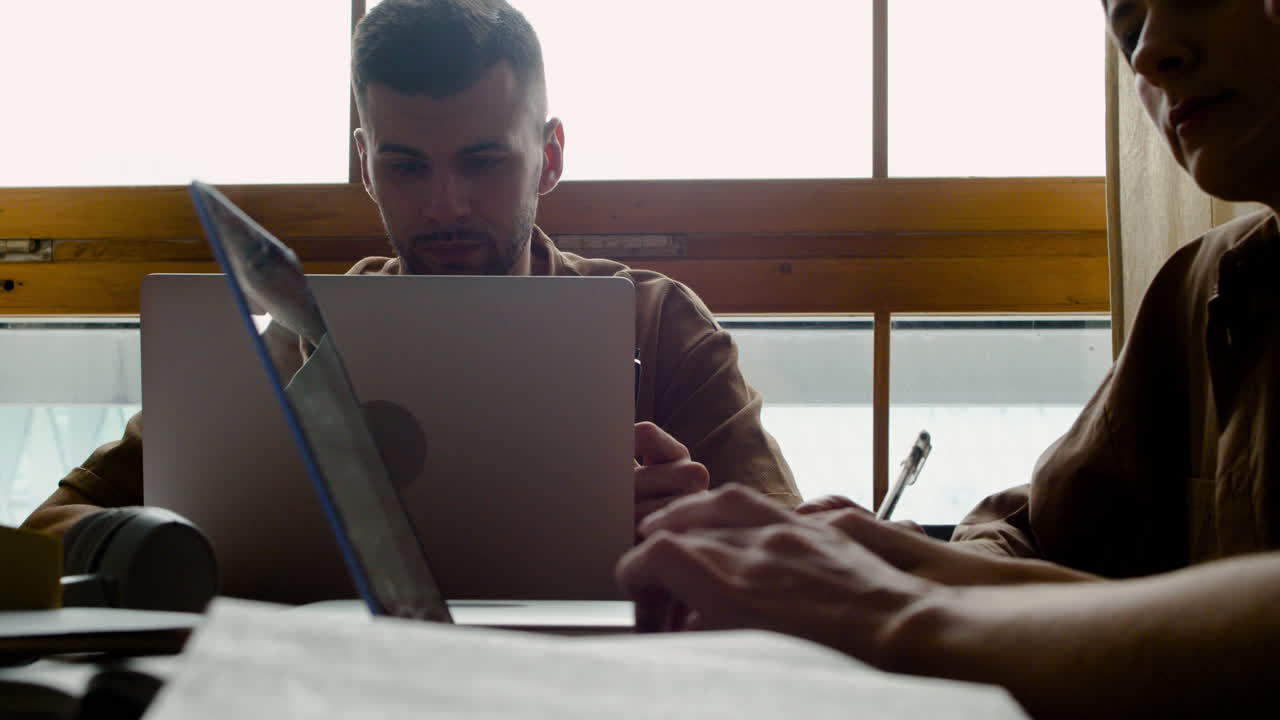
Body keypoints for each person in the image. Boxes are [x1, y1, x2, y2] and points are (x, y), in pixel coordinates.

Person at [618, 1, 1280, 716]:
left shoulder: (657, 315)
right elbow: (1029, 531)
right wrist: (904, 560)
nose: (1149, 54)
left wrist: (902, 614)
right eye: (1125, 28)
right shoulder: (1201, 288)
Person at [21, 0, 799, 540]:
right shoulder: (298, 342)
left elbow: (804, 558)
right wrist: (209, 536)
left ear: (550, 158)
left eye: (483, 161)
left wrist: (700, 537)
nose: (443, 206)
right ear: (365, 164)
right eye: (405, 166)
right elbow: (52, 527)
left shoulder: (659, 328)